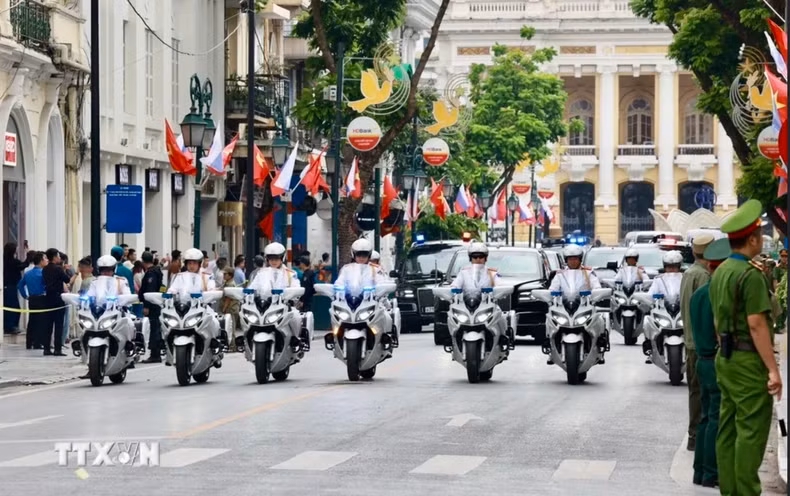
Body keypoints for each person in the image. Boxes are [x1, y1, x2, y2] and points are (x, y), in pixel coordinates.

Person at [710, 199, 782, 496]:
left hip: (725, 357)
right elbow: (757, 325)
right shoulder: (749, 275)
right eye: (761, 234)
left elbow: (717, 320)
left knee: (728, 429)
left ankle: (730, 490)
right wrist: (773, 370)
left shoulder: (721, 271)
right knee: (751, 431)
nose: (763, 238)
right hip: (747, 361)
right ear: (752, 239)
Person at [690, 238, 730, 488]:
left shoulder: (698, 294)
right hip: (715, 360)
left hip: (701, 360)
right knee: (716, 418)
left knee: (705, 417)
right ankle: (710, 473)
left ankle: (699, 471)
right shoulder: (718, 292)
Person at [679, 232, 714, 452]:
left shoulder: (688, 273)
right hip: (702, 344)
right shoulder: (704, 276)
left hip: (690, 340)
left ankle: (694, 436)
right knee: (705, 394)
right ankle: (698, 437)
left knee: (694, 392)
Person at [41, 248, 70, 356]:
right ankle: (57, 349)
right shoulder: (58, 269)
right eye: (58, 256)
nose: (59, 258)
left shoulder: (45, 269)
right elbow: (67, 279)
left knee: (48, 324)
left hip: (48, 297)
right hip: (58, 298)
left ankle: (46, 348)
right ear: (54, 257)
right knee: (58, 324)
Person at [18, 251, 47, 349]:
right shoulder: (43, 273)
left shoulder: (28, 273)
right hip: (42, 298)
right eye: (45, 259)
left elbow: (20, 285)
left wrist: (25, 296)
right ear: (41, 261)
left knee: (32, 320)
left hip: (32, 298)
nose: (47, 260)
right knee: (41, 320)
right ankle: (38, 343)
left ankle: (29, 342)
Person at [138, 251, 164, 363]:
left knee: (154, 328)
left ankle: (155, 353)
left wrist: (146, 306)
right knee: (155, 327)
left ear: (143, 261)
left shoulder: (151, 274)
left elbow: (150, 291)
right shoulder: (156, 271)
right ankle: (156, 352)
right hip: (156, 303)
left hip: (153, 305)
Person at [3, 242, 25, 335]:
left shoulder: (7, 260)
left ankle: (12, 326)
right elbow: (23, 265)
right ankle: (10, 327)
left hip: (11, 286)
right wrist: (27, 255)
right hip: (10, 286)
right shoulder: (12, 261)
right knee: (13, 307)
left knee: (13, 307)